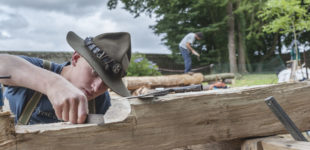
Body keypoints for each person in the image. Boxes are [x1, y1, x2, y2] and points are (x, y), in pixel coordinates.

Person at [0, 31, 131, 125]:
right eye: (94, 73)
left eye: (106, 83)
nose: (96, 87)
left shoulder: (100, 101)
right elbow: (4, 64)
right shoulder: (37, 68)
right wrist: (53, 84)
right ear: (76, 58)